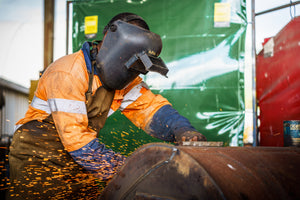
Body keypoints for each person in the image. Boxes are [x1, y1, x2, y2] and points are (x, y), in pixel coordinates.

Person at [8, 12, 206, 199]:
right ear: (109, 43)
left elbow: (150, 109)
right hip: (37, 154)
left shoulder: (123, 79)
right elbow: (77, 141)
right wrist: (127, 168)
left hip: (76, 154)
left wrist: (182, 130)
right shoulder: (68, 72)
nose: (131, 73)